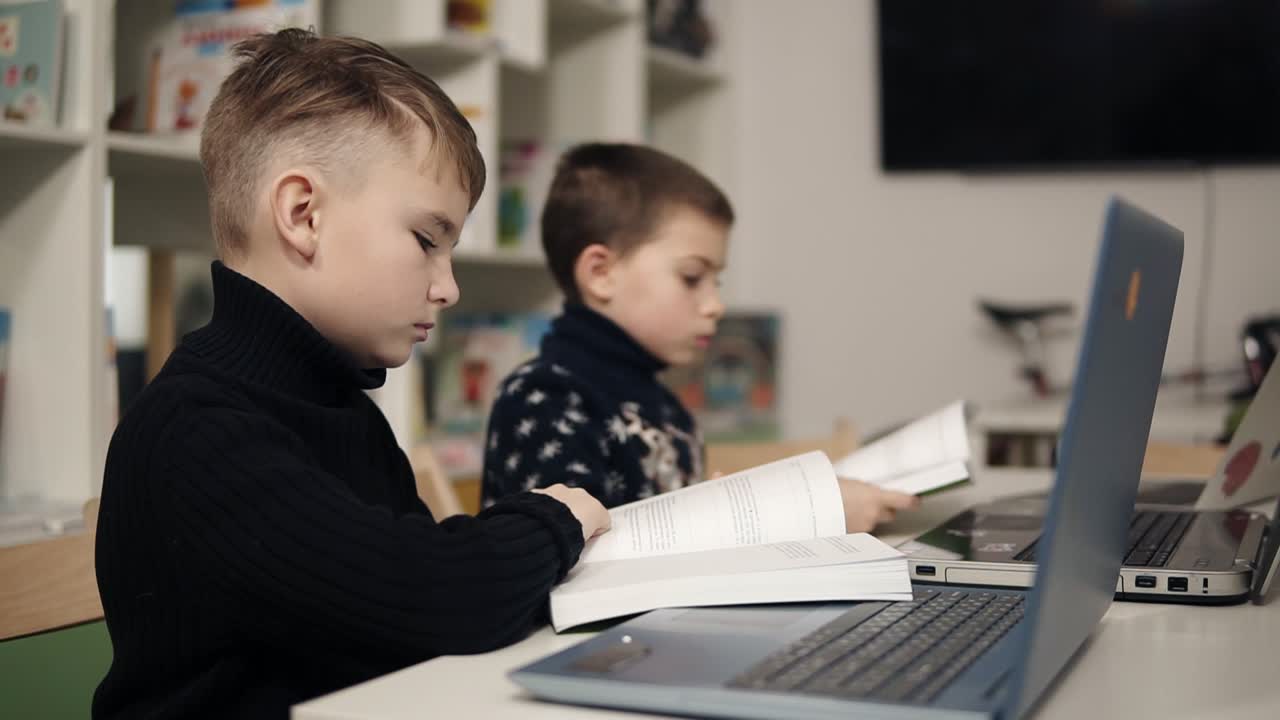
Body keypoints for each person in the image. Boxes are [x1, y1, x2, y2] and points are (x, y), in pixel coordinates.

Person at [93, 29, 608, 720]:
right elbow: (438, 600)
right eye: (428, 241)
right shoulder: (196, 433)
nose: (448, 288)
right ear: (303, 214)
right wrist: (555, 517)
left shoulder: (342, 409)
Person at [480, 143, 918, 533]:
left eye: (717, 282)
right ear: (601, 273)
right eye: (692, 278)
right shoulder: (547, 398)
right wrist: (790, 514)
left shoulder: (662, 403)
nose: (715, 305)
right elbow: (584, 564)